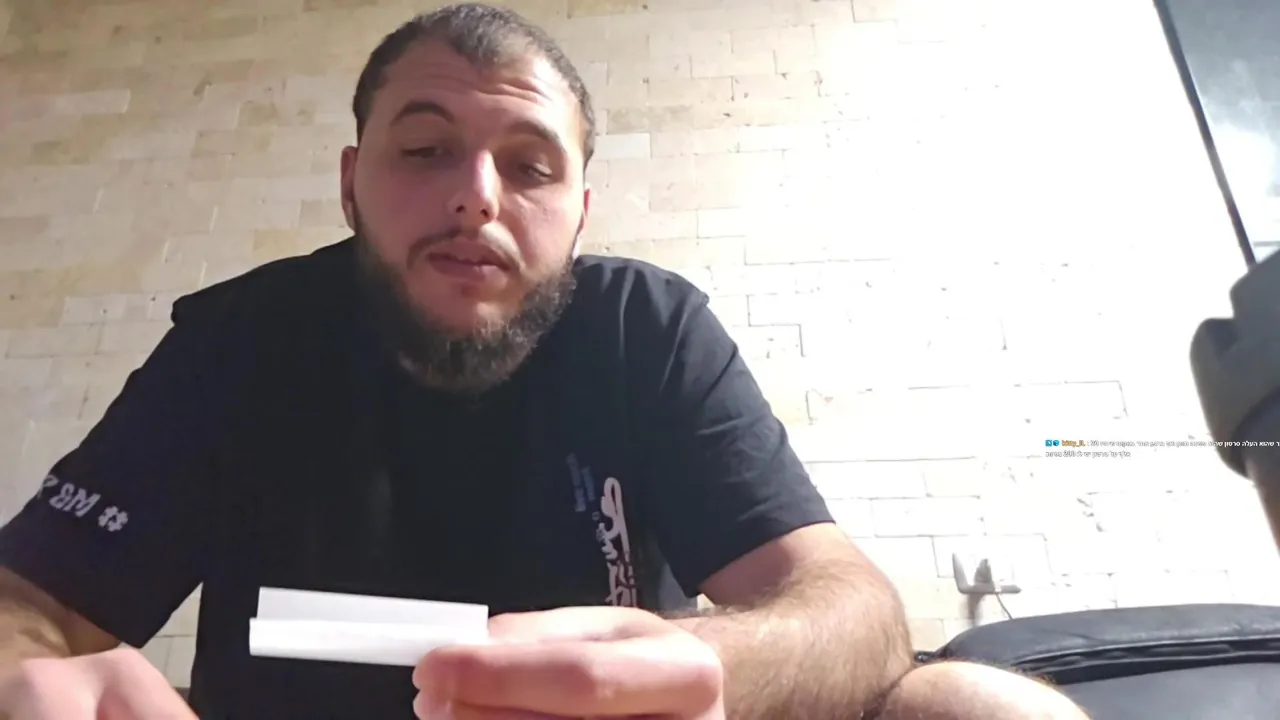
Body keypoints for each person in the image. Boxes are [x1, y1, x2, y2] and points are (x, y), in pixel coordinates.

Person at [0, 4, 1089, 718]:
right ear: (349, 185)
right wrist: (32, 680)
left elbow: (848, 608)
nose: (475, 195)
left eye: (528, 166)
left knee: (974, 704)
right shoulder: (239, 343)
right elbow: (28, 607)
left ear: (579, 212)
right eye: (425, 150)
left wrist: (710, 663)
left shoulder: (646, 329)